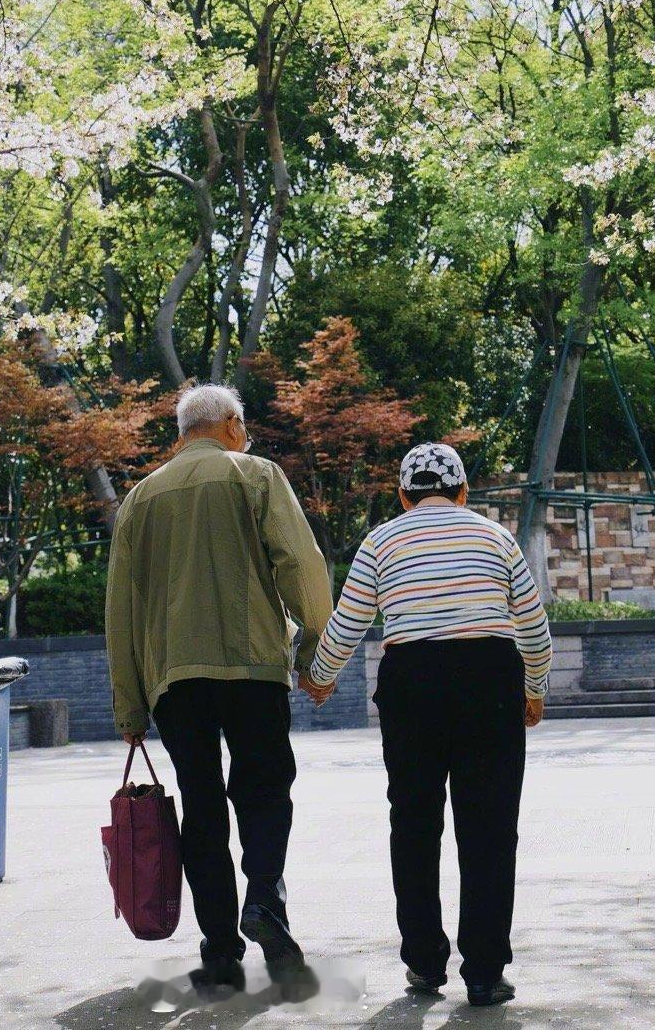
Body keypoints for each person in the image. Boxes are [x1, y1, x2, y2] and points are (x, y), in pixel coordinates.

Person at [305, 442, 552, 1008]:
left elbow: (349, 622)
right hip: (489, 678)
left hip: (411, 682)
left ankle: (422, 963)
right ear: (463, 492)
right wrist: (533, 690)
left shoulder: (381, 540)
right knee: (489, 827)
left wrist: (321, 677)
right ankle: (486, 972)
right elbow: (534, 627)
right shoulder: (495, 537)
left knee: (414, 824)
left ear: (403, 495)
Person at [105, 383, 333, 994]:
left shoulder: (140, 498)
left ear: (184, 433)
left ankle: (220, 946)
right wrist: (317, 651)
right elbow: (301, 564)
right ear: (231, 425)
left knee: (200, 803)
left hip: (174, 679)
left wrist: (129, 702)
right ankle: (264, 900)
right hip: (252, 665)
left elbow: (121, 609)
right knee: (263, 788)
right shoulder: (254, 475)